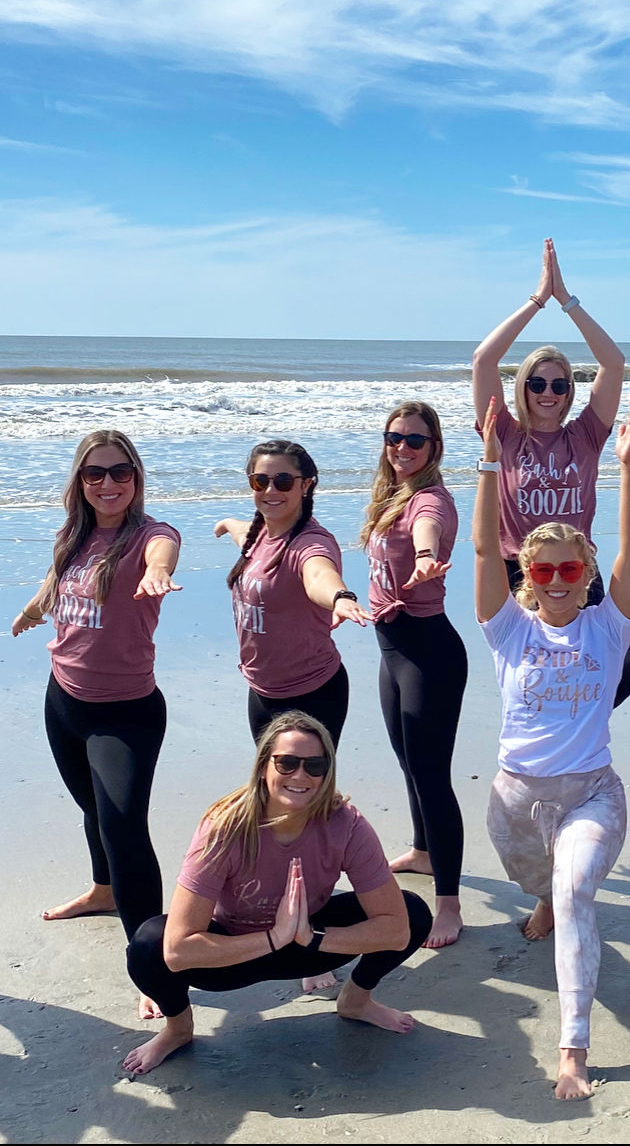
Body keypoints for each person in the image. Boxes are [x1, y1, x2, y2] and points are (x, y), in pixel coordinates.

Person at [474, 395, 630, 1100]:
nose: (553, 582)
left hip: (589, 792)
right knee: (539, 880)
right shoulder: (507, 630)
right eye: (540, 572)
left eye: (567, 571)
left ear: (586, 574)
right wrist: (489, 460)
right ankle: (542, 894)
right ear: (526, 580)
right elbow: (486, 547)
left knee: (575, 894)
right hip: (513, 799)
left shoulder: (607, 629)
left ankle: (572, 1047)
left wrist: (627, 465)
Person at [122, 710, 432, 1075]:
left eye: (314, 765)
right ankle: (178, 1029)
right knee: (148, 945)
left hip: (308, 942)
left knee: (412, 913)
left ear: (327, 771)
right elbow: (177, 950)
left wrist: (310, 937)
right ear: (263, 766)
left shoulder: (345, 823)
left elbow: (395, 930)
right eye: (286, 763)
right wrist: (273, 937)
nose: (300, 775)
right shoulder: (225, 826)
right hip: (233, 955)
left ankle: (357, 1000)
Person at [11, 429, 180, 1019]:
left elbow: (162, 555)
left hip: (125, 713)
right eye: (95, 473)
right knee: (95, 811)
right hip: (64, 700)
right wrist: (32, 612)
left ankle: (151, 960)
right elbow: (58, 582)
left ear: (135, 479)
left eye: (120, 473)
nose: (107, 484)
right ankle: (104, 892)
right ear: (80, 482)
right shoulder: (76, 534)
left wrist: (157, 576)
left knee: (125, 829)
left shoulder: (153, 536)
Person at [472, 237, 630, 706]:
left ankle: (573, 716)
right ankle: (552, 725)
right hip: (513, 570)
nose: (549, 392)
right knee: (527, 670)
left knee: (618, 667)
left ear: (569, 392)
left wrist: (567, 301)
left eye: (560, 384)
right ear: (523, 387)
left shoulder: (586, 434)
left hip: (575, 567)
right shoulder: (501, 431)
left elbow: (614, 362)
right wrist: (536, 300)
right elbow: (484, 360)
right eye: (538, 382)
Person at [361, 401, 468, 949]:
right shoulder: (390, 495)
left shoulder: (430, 500)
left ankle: (448, 904)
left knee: (431, 774)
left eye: (415, 441)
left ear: (434, 448)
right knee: (408, 760)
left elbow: (429, 528)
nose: (402, 448)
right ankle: (425, 851)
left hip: (429, 653)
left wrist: (426, 556)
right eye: (394, 438)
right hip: (392, 646)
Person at [215, 439, 370, 748]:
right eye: (261, 481)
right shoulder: (260, 535)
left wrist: (340, 597)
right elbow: (245, 533)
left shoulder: (310, 543)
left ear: (306, 485)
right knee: (271, 790)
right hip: (261, 692)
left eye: (283, 481)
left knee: (306, 790)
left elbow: (318, 575)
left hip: (311, 694)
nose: (271, 491)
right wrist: (227, 523)